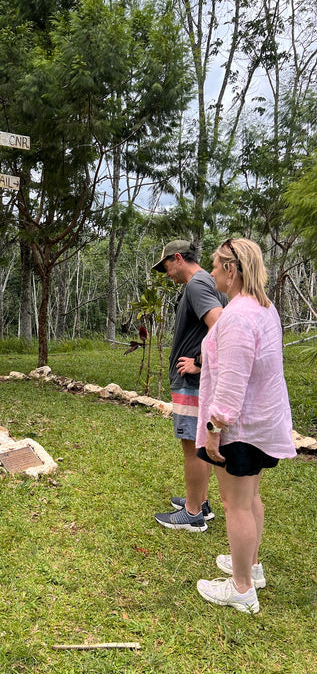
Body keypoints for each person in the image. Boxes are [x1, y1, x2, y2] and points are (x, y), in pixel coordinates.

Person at [195, 238, 296, 613]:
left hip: (239, 427)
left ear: (232, 270)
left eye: (216, 266)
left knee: (234, 504)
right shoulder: (264, 308)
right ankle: (250, 569)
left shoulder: (236, 317)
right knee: (250, 497)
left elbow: (233, 381)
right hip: (262, 423)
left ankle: (240, 589)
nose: (212, 272)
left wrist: (212, 427)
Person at [152, 239, 227, 532]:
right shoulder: (208, 282)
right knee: (199, 444)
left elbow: (220, 326)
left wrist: (198, 362)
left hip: (192, 381)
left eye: (166, 266)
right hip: (196, 381)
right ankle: (201, 502)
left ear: (179, 258)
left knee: (192, 446)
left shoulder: (197, 285)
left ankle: (193, 513)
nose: (166, 273)